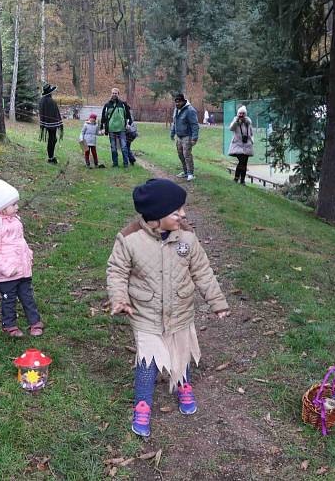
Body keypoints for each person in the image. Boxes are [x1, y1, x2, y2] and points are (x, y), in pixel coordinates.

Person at [107, 179, 230, 438]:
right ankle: (142, 404)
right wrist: (120, 298)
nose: (183, 214)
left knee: (180, 354)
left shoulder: (187, 237)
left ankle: (182, 384)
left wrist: (217, 302)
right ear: (156, 216)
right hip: (145, 314)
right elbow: (117, 271)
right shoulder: (129, 239)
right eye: (176, 211)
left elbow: (202, 271)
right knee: (148, 362)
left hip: (180, 311)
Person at [0, 176, 43, 337]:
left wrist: (28, 254)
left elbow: (20, 241)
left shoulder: (14, 220)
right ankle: (9, 325)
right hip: (6, 274)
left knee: (27, 296)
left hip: (22, 268)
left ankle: (35, 322)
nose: (17, 207)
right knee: (9, 300)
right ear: (1, 207)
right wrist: (7, 269)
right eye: (13, 204)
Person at [100, 87, 133, 168]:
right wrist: (102, 128)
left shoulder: (123, 104)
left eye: (116, 93)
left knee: (124, 147)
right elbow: (103, 118)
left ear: (118, 94)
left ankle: (126, 164)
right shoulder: (107, 105)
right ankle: (115, 164)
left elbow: (129, 116)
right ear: (111, 94)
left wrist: (128, 124)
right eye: (113, 93)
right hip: (111, 130)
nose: (114, 94)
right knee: (113, 148)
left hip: (122, 129)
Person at [170, 93, 200, 181]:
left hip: (187, 136)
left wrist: (194, 138)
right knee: (180, 154)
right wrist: (172, 133)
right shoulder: (176, 109)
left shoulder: (190, 110)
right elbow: (174, 122)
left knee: (187, 154)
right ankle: (185, 172)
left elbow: (195, 125)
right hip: (178, 136)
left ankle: (191, 174)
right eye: (176, 102)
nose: (177, 104)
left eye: (179, 102)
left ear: (183, 101)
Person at [228, 105, 254, 185]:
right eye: (240, 113)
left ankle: (242, 180)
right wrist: (237, 121)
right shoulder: (236, 121)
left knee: (244, 162)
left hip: (247, 145)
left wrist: (252, 141)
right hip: (238, 145)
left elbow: (251, 133)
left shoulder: (248, 122)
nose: (241, 115)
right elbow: (231, 128)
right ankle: (236, 178)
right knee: (241, 161)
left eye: (243, 113)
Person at [38, 83, 64, 164]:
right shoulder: (50, 101)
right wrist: (57, 122)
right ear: (50, 92)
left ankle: (51, 156)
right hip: (52, 124)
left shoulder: (42, 100)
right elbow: (54, 113)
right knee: (52, 139)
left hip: (46, 123)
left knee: (53, 139)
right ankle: (50, 158)